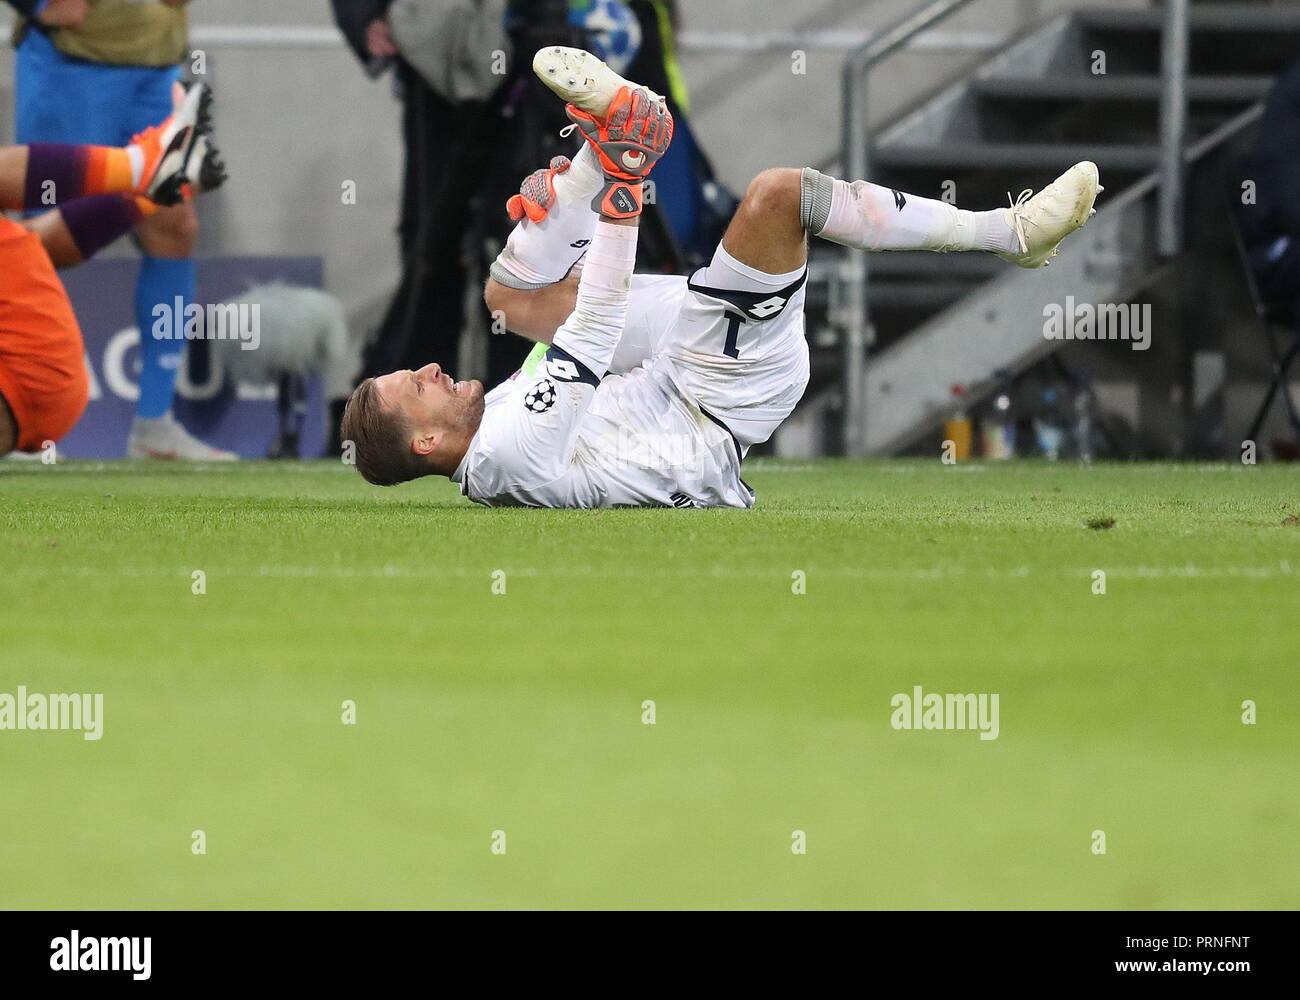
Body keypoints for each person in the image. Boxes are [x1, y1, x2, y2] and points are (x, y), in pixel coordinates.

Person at [341, 48, 1100, 508]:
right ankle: (1011, 233)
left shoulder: (493, 436)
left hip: (676, 370)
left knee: (506, 299)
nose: (431, 367)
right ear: (426, 442)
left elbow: (571, 323)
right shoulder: (507, 450)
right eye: (416, 384)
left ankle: (603, 148)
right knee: (779, 195)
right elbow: (598, 328)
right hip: (718, 395)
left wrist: (559, 214)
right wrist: (617, 210)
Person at [8, 0, 235, 459]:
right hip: (74, 60)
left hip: (156, 60)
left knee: (173, 220)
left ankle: (155, 422)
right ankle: (18, 409)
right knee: (32, 242)